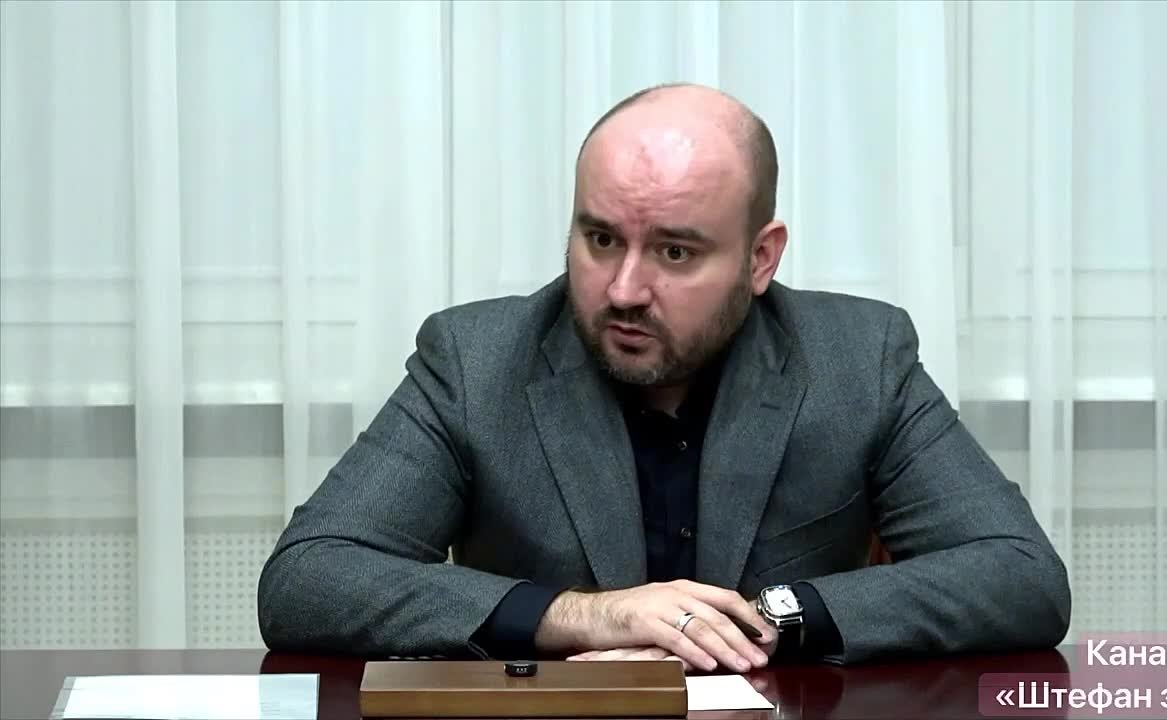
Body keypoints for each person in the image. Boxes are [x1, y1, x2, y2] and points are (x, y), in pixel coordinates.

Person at [257, 83, 1071, 671]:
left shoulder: (857, 357)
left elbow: (1021, 576)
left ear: (760, 258)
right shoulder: (477, 360)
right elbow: (307, 579)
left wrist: (766, 618)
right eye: (601, 240)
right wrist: (582, 617)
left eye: (675, 252)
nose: (623, 289)